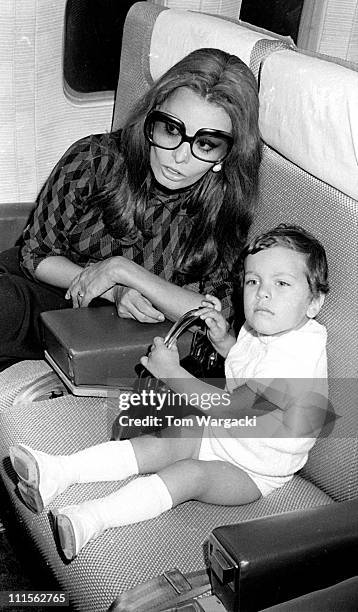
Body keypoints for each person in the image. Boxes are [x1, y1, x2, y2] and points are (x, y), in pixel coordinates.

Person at [9, 224, 329, 562]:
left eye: (281, 283)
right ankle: (60, 471)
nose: (262, 293)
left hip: (255, 468)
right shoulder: (267, 325)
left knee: (189, 475)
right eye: (253, 281)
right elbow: (250, 368)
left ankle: (91, 519)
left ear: (314, 302)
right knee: (160, 441)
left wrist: (172, 373)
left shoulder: (298, 358)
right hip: (224, 434)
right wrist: (225, 344)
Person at [0, 48, 261, 372]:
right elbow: (35, 255)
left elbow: (214, 316)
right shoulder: (95, 159)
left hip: (107, 328)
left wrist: (125, 272)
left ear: (227, 152)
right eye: (171, 130)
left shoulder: (221, 207)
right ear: (151, 121)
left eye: (205, 144)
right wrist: (114, 289)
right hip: (49, 290)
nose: (180, 156)